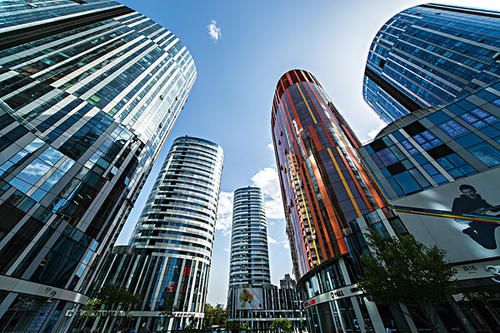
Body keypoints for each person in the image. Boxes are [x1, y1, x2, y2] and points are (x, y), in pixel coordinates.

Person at [452, 184, 500, 249]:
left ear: (474, 191)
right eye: (466, 193)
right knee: (491, 246)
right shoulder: (459, 200)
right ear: (463, 193)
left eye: (470, 191)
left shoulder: (480, 200)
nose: (469, 194)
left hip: (489, 220)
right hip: (479, 225)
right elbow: (456, 214)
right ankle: (469, 232)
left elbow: (494, 210)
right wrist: (474, 213)